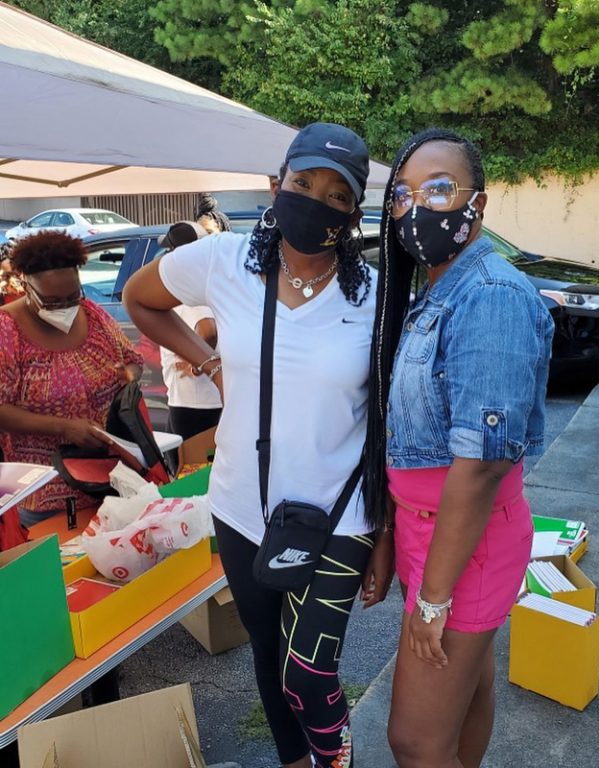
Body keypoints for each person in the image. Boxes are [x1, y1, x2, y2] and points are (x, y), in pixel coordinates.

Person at [124, 123, 393, 768]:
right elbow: (139, 298)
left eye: (336, 195)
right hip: (243, 505)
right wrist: (211, 363)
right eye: (304, 183)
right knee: (269, 658)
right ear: (277, 185)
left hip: (341, 516)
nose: (316, 201)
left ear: (353, 212)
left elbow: (390, 423)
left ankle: (335, 761)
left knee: (311, 673)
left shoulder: (377, 297)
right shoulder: (224, 260)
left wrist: (385, 532)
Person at [364, 128, 554, 768]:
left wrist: (433, 599)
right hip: (433, 533)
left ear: (479, 203)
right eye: (403, 195)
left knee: (415, 742)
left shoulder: (491, 296)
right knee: (466, 694)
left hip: (466, 543)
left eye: (440, 189)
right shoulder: (440, 290)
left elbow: (481, 466)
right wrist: (393, 534)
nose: (417, 207)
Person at [0, 231, 142, 528]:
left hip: (109, 480)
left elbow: (132, 360)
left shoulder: (93, 315)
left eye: (72, 296)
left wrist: (129, 375)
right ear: (26, 285)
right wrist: (63, 427)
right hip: (45, 494)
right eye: (52, 301)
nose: (65, 307)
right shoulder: (7, 331)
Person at [157, 221, 222, 441]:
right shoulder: (207, 286)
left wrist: (197, 366)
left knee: (188, 459)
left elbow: (208, 330)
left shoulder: (191, 293)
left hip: (194, 403)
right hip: (198, 400)